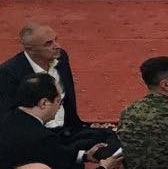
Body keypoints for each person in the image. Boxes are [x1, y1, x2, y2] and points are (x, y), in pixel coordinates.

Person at [0, 75, 126, 169]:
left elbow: (54, 152)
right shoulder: (40, 137)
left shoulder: (11, 118)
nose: (60, 106)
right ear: (43, 103)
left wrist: (85, 156)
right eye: (58, 101)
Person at [0, 22, 114, 152]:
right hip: (38, 137)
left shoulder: (61, 58)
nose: (57, 46)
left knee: (112, 137)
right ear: (30, 49)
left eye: (56, 40)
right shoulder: (9, 73)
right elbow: (8, 117)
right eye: (48, 43)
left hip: (68, 131)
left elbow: (68, 98)